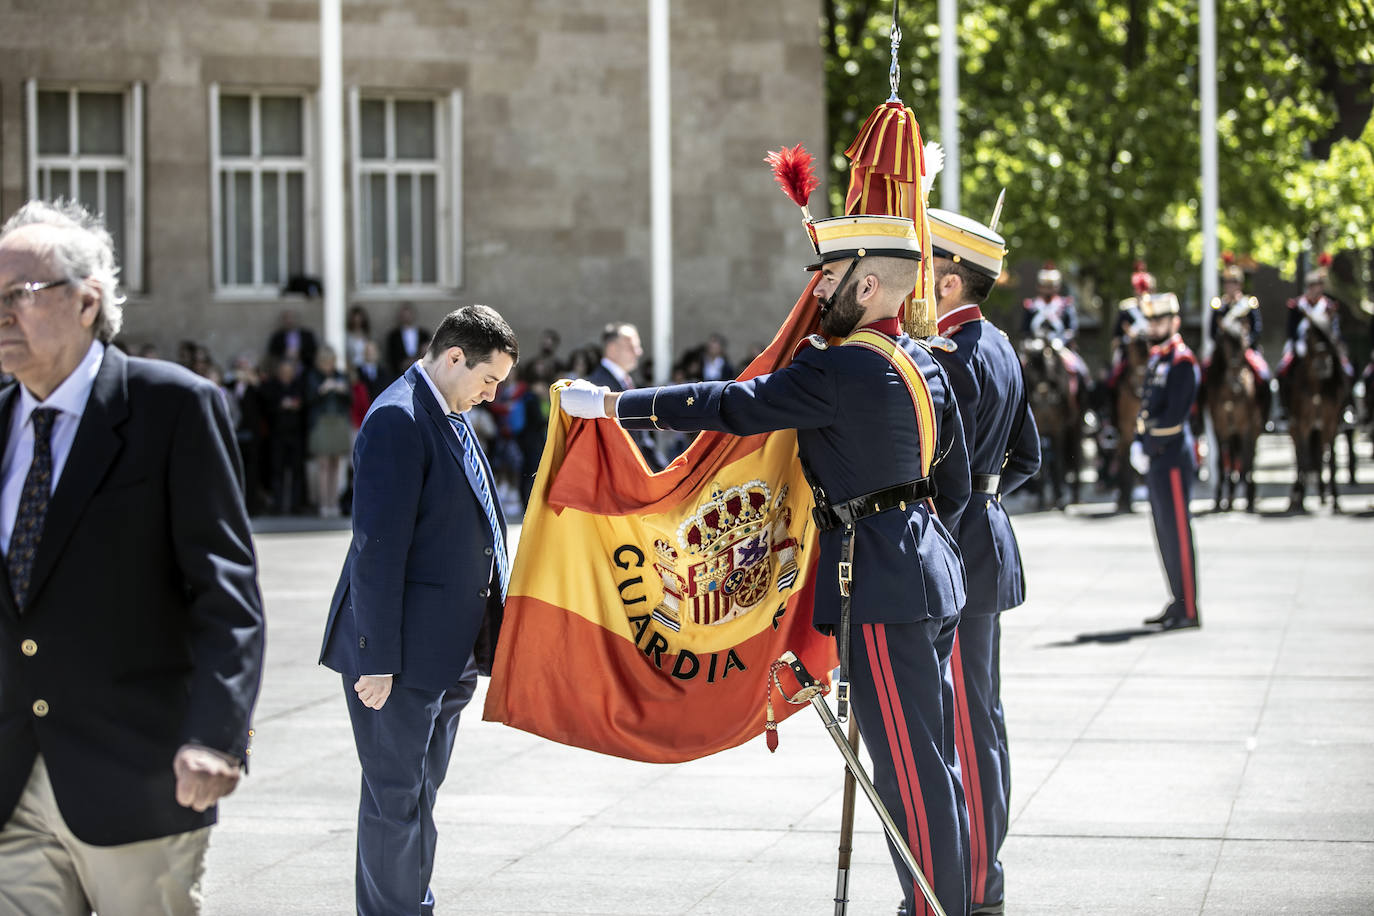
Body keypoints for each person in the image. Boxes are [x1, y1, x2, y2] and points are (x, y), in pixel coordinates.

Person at [561, 212, 973, 916]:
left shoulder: (838, 366)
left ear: (868, 284)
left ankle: (939, 910)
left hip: (878, 581)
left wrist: (613, 405)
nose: (817, 293)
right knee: (934, 761)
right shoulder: (926, 363)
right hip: (930, 570)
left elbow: (733, 405)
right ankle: (941, 901)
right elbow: (954, 483)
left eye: (831, 279)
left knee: (907, 771)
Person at [0, 199, 265, 913]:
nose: (1, 316)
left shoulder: (171, 408)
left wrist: (217, 734)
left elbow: (225, 593)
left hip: (139, 779)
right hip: (11, 784)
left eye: (17, 296)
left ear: (87, 302)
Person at [319, 304, 518, 916]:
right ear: (454, 356)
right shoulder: (399, 420)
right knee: (394, 799)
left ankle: (411, 903)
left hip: (445, 650)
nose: (490, 395)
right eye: (488, 379)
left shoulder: (447, 412)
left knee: (417, 794)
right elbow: (375, 550)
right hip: (397, 657)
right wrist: (375, 660)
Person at [927, 208, 1041, 916]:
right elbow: (1027, 457)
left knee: (965, 724)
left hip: (959, 546)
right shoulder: (999, 345)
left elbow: (944, 469)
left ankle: (977, 887)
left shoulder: (950, 357)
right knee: (982, 717)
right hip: (989, 538)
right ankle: (983, 876)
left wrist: (959, 511)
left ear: (946, 280)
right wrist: (988, 505)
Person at [1130, 292, 1202, 630]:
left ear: (1175, 322)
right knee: (1163, 533)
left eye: (1161, 319)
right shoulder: (1159, 359)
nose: (1155, 325)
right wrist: (1138, 441)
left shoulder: (1181, 361)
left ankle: (1189, 609)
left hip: (1171, 456)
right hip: (1158, 457)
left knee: (1177, 533)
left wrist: (1148, 442)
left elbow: (1175, 416)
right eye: (1152, 320)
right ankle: (1178, 600)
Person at [587, 322, 666, 470]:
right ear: (612, 349)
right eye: (632, 347)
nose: (639, 352)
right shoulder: (598, 385)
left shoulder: (625, 381)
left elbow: (642, 437)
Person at [1205, 261, 1271, 421]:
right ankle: (1200, 417)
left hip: (1245, 349)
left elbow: (1257, 329)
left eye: (1233, 282)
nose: (1230, 286)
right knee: (1204, 374)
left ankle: (1264, 416)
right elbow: (1212, 331)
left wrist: (1248, 342)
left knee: (1265, 375)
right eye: (1227, 283)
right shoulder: (1219, 306)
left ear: (1240, 284)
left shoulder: (1248, 304)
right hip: (1224, 351)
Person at [1022, 261, 1089, 410]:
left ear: (1057, 287)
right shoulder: (1031, 306)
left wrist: (1062, 341)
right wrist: (1030, 342)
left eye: (1051, 286)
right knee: (1017, 370)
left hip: (1060, 346)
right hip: (1035, 347)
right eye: (1045, 285)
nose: (1048, 289)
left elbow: (1071, 329)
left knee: (1081, 370)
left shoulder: (1065, 306)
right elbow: (1025, 329)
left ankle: (1084, 412)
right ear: (1039, 286)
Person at [1277, 262, 1353, 381]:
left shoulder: (1329, 306)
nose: (1316, 289)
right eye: (1313, 286)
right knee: (1282, 369)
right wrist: (1297, 343)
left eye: (1319, 286)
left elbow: (1335, 329)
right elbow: (1291, 329)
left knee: (1347, 370)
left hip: (1326, 344)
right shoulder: (1298, 306)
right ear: (1308, 287)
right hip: (1301, 343)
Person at [308, 346, 353, 518]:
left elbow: (350, 400)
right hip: (321, 422)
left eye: (331, 362)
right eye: (326, 362)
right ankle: (324, 504)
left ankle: (334, 503)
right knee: (323, 464)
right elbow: (309, 399)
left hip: (339, 421)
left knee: (336, 463)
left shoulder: (340, 376)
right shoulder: (313, 376)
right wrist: (322, 389)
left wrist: (343, 390)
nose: (329, 365)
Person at [384, 303, 432, 381]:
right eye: (404, 315)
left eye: (409, 314)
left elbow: (429, 353)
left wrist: (416, 360)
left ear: (414, 315)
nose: (407, 317)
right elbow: (390, 356)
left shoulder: (424, 334)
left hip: (421, 373)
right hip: (400, 375)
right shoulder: (394, 336)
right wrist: (402, 364)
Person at [266, 308, 318, 373]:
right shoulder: (277, 336)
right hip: (283, 369)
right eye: (287, 318)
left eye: (292, 318)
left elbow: (313, 351)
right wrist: (285, 353)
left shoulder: (307, 335)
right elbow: (272, 353)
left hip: (304, 367)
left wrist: (300, 354)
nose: (289, 321)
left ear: (297, 319)